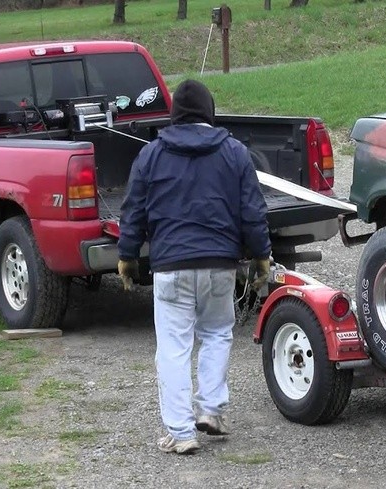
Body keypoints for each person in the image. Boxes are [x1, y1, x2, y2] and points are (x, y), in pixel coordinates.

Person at [116, 79, 272, 455]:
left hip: (170, 266)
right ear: (210, 112)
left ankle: (180, 433)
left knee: (173, 347)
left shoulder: (151, 154)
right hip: (220, 265)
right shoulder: (235, 152)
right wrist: (261, 255)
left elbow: (133, 209)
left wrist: (127, 255)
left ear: (173, 115)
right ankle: (212, 411)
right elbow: (252, 210)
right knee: (218, 332)